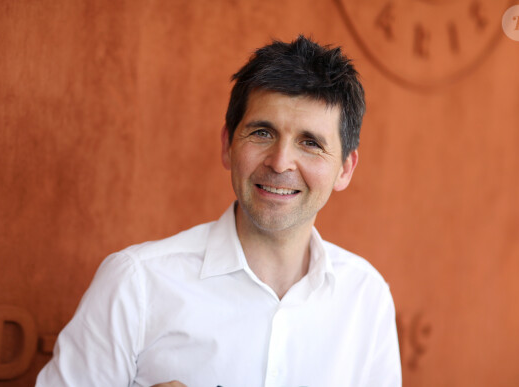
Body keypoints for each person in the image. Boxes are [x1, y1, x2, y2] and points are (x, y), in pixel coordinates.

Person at [36, 35, 401, 387]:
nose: (280, 162)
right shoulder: (136, 284)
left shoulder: (366, 297)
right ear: (227, 144)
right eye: (262, 133)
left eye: (310, 143)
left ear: (345, 168)